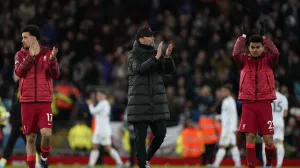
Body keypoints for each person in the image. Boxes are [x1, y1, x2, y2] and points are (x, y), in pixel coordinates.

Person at [232, 21, 280, 168]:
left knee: (269, 140)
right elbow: (235, 53)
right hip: (248, 104)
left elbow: (276, 52)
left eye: (257, 47)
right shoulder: (244, 60)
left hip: (265, 103)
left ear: (262, 47)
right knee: (250, 137)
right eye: (252, 47)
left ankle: (269, 164)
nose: (254, 50)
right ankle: (251, 166)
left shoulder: (269, 60)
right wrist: (243, 37)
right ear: (249, 48)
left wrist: (265, 37)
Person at [127, 26, 175, 168]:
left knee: (161, 134)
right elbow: (139, 69)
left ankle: (146, 159)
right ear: (141, 39)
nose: (153, 38)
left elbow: (169, 71)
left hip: (156, 102)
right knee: (140, 139)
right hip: (139, 102)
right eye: (150, 36)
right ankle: (142, 165)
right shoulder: (132, 54)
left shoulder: (157, 53)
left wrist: (167, 57)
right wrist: (156, 58)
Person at [14, 25, 60, 168]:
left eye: (25, 37)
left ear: (33, 38)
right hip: (27, 101)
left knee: (46, 134)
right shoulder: (20, 55)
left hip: (44, 100)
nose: (22, 40)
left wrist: (52, 61)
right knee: (30, 138)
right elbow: (19, 72)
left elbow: (55, 75)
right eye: (22, 38)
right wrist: (30, 57)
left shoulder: (47, 53)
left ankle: (44, 158)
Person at [0, 73, 42, 168]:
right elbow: (16, 104)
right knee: (15, 143)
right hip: (18, 121)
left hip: (24, 121)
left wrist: (8, 114)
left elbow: (19, 105)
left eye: (15, 74)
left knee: (27, 143)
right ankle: (2, 163)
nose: (13, 76)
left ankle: (37, 163)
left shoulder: (24, 86)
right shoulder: (17, 87)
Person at [86, 90, 123, 168]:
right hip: (98, 129)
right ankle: (91, 165)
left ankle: (119, 162)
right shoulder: (101, 104)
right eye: (98, 96)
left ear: (104, 96)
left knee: (108, 147)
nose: (98, 97)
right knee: (95, 146)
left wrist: (90, 104)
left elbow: (92, 111)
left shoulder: (104, 103)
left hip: (104, 130)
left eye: (100, 96)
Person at [209, 84, 241, 168]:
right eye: (222, 91)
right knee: (233, 145)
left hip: (228, 128)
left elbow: (233, 115)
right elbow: (225, 115)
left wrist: (233, 128)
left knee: (222, 145)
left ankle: (216, 164)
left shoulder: (229, 101)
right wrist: (218, 117)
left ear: (228, 91)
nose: (222, 92)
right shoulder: (226, 101)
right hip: (228, 127)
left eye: (224, 91)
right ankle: (238, 164)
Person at [262, 81, 288, 168]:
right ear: (278, 87)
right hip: (279, 121)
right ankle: (279, 165)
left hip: (269, 121)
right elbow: (285, 113)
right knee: (279, 143)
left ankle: (267, 165)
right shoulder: (283, 98)